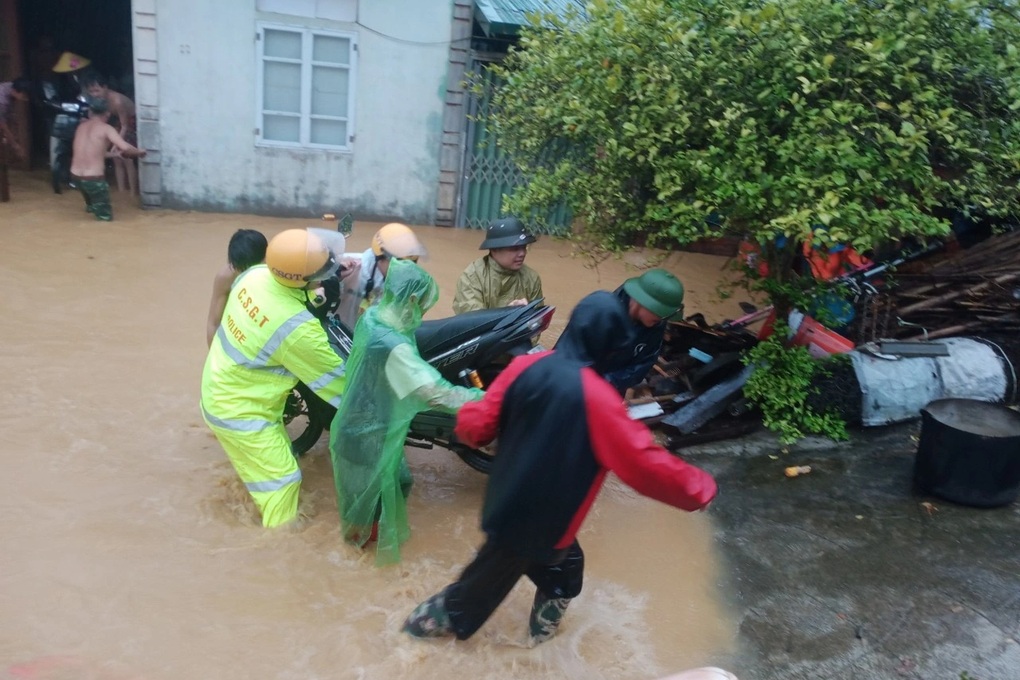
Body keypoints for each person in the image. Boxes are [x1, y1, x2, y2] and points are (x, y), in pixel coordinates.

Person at [402, 290, 717, 645]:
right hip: (539, 526)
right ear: (611, 346)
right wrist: (700, 489)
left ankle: (539, 647)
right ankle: (405, 645)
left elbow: (476, 426)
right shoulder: (600, 402)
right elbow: (643, 464)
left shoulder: (524, 367)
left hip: (509, 505)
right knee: (463, 605)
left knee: (565, 576)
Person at [330, 258, 484, 564]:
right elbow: (434, 392)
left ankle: (354, 567)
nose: (422, 312)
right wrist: (484, 400)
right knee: (364, 526)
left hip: (357, 427)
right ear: (411, 299)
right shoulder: (391, 343)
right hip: (368, 439)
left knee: (390, 490)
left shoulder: (373, 316)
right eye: (422, 304)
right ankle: (357, 576)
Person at [201, 228, 348, 528]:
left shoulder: (252, 277)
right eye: (318, 271)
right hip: (240, 411)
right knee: (284, 482)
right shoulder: (296, 329)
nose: (324, 275)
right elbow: (342, 384)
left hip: (220, 386)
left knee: (274, 464)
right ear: (300, 278)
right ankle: (279, 553)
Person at [570, 268, 686, 396]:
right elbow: (567, 354)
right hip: (575, 386)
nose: (662, 319)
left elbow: (644, 364)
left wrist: (606, 383)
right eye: (660, 313)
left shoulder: (656, 324)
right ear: (643, 302)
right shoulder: (600, 312)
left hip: (610, 391)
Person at [334, 222, 427, 331]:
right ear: (379, 258)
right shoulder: (348, 268)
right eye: (397, 264)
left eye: (409, 265)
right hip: (340, 337)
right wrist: (334, 277)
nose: (403, 271)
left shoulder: (408, 283)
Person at [69, 96, 146, 221]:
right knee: (105, 220)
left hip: (76, 177)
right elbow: (125, 147)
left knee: (91, 210)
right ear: (108, 114)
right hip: (93, 180)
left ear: (90, 112)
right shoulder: (106, 129)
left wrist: (115, 155)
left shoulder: (81, 127)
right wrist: (139, 152)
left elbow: (92, 153)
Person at [452, 217, 544, 314]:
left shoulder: (531, 278)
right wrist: (506, 314)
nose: (522, 253)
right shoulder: (472, 276)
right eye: (515, 248)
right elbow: (471, 320)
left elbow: (537, 320)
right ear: (494, 249)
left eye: (524, 247)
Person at [206, 229, 269, 346]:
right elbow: (214, 323)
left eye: (250, 268)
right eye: (241, 269)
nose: (246, 275)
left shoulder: (279, 272)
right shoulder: (226, 277)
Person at [81, 72, 138, 194]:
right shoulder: (97, 102)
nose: (94, 94)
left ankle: (133, 192)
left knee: (126, 157)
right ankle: (121, 191)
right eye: (91, 91)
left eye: (97, 90)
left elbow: (125, 125)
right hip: (117, 123)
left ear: (105, 87)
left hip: (131, 123)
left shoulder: (117, 101)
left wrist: (116, 143)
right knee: (116, 159)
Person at [0, 78, 31, 164]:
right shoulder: (2, 101)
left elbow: (10, 116)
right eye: (24, 96)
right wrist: (16, 146)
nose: (26, 99)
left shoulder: (11, 87)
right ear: (15, 91)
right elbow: (3, 125)